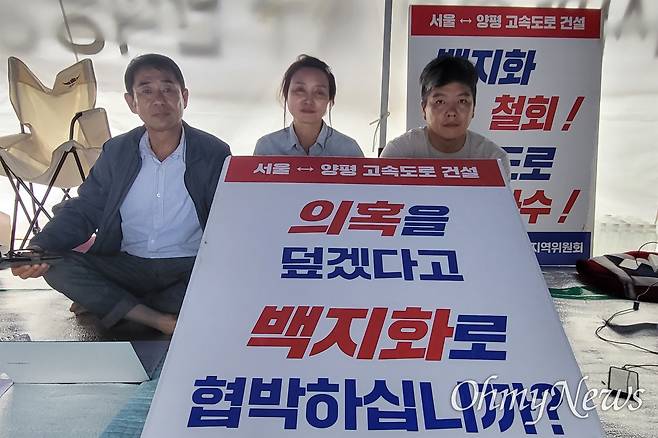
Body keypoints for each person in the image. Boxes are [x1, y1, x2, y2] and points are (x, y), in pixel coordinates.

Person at [10, 54, 231, 335]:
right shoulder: (117, 151)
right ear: (131, 102)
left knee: (226, 280)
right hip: (127, 265)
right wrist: (38, 248)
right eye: (146, 91)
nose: (158, 100)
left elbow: (228, 219)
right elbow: (85, 209)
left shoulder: (214, 152)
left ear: (184, 97)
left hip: (188, 267)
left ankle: (117, 305)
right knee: (57, 266)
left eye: (167, 89)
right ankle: (158, 318)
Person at [381, 55, 510, 178]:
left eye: (462, 101)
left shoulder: (493, 159)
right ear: (424, 108)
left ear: (473, 108)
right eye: (440, 102)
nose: (451, 112)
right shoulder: (398, 153)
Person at [254, 54, 363, 157]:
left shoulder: (349, 150)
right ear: (286, 95)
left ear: (330, 100)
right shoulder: (267, 148)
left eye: (319, 92)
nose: (309, 100)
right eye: (300, 90)